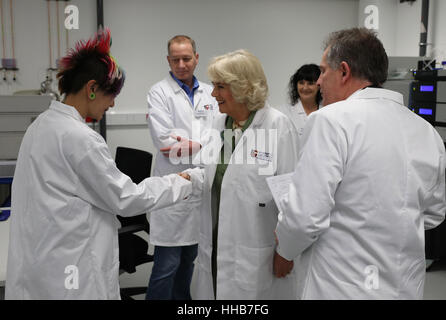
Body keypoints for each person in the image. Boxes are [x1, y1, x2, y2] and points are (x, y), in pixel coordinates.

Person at [5, 29, 193, 300]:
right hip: (73, 275)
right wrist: (182, 182)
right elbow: (127, 199)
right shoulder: (80, 138)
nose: (113, 103)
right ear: (92, 89)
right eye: (111, 95)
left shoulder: (40, 126)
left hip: (41, 268)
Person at [274, 27, 446, 299]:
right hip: (404, 287)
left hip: (343, 286)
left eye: (323, 71)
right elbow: (434, 212)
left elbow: (304, 219)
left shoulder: (330, 120)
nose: (318, 82)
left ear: (343, 71)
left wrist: (283, 248)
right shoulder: (426, 131)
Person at [186, 49, 300, 299]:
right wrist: (188, 179)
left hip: (257, 250)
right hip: (215, 244)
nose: (213, 93)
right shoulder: (218, 124)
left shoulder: (277, 126)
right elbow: (207, 174)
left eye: (220, 86)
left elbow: (290, 198)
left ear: (243, 88)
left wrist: (287, 252)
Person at [145, 35, 217, 300]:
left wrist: (194, 144)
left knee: (189, 262)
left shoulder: (210, 92)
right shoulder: (159, 92)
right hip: (172, 190)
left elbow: (220, 136)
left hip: (201, 186)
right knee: (167, 265)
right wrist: (206, 144)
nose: (182, 64)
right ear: (168, 60)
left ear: (196, 58)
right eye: (175, 59)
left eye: (187, 58)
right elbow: (166, 144)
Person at [277, 64, 321, 139]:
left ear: (319, 85)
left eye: (310, 83)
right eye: (301, 83)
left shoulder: (327, 110)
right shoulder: (283, 113)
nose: (305, 87)